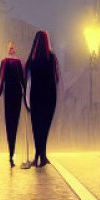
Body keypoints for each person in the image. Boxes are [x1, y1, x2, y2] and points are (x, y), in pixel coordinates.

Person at [25, 29, 59, 167]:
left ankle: (38, 156)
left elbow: (27, 79)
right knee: (44, 128)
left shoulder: (31, 60)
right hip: (49, 97)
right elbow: (55, 78)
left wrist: (26, 100)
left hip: (35, 97)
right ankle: (42, 156)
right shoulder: (51, 58)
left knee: (36, 128)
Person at [0, 43, 26, 167]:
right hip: (17, 94)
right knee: (14, 123)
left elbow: (1, 78)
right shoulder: (18, 62)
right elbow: (22, 80)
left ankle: (11, 152)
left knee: (10, 123)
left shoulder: (5, 62)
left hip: (9, 94)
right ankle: (11, 152)